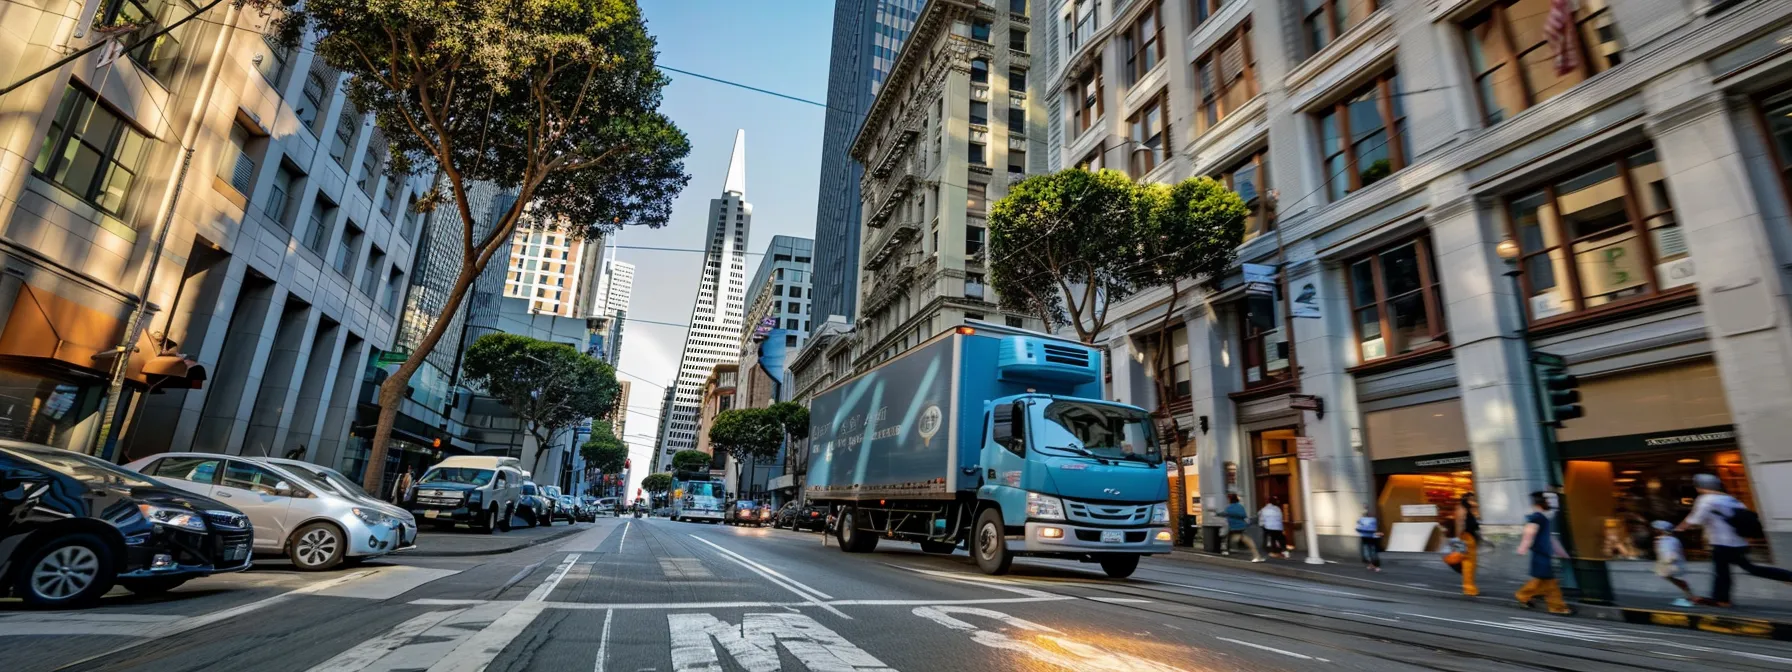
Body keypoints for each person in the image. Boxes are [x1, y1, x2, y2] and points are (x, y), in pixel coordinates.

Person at [1676, 473, 1792, 607]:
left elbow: (1694, 519)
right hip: (1739, 542)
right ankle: (1722, 599)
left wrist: (1678, 529)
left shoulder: (1706, 499)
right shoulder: (1730, 499)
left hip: (1722, 542)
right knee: (1742, 569)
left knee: (1723, 572)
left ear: (1700, 486)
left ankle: (1722, 600)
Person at [1514, 491, 1572, 615]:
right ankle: (1557, 607)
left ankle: (1523, 596)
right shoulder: (1538, 517)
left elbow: (1549, 538)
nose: (1550, 504)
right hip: (1541, 554)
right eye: (1548, 501)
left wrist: (1561, 552)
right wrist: (1523, 547)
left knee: (1542, 581)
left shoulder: (1542, 518)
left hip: (1542, 553)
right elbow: (1530, 532)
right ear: (1542, 503)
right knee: (1550, 582)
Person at [1651, 520, 1696, 608]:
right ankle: (1690, 596)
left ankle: (1690, 597)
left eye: (1657, 529)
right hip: (1669, 564)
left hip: (1672, 564)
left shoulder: (1668, 540)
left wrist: (1668, 560)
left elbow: (1670, 553)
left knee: (1675, 579)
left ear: (1661, 530)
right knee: (1673, 579)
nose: (1655, 531)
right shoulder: (1665, 539)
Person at [1454, 492, 1482, 596]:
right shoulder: (1462, 508)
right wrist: (1458, 538)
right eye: (1471, 499)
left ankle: (1470, 587)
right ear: (1466, 499)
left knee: (1471, 564)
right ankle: (1468, 588)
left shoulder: (1470, 509)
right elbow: (1459, 524)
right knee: (1468, 563)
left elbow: (1476, 521)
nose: (1473, 501)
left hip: (1471, 537)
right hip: (1466, 537)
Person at [1220, 494, 1263, 562]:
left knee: (1233, 538)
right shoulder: (1240, 507)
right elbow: (1244, 515)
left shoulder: (1228, 508)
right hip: (1242, 526)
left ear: (1230, 500)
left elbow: (1226, 515)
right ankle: (1256, 555)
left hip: (1234, 527)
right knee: (1244, 539)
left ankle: (1226, 551)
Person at [1355, 508, 1382, 572]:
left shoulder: (1371, 520)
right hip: (1367, 538)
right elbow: (1359, 528)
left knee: (1371, 552)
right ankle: (1372, 565)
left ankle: (1375, 566)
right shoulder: (1367, 520)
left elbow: (1359, 528)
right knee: (1368, 553)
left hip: (1369, 538)